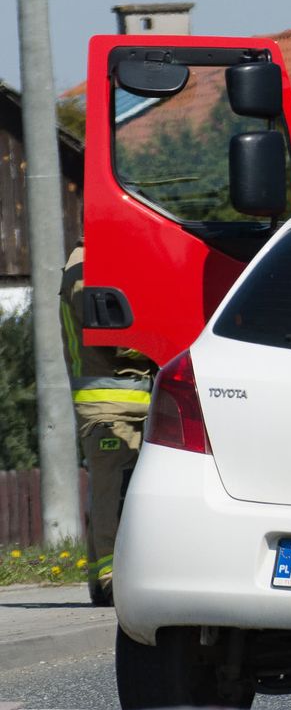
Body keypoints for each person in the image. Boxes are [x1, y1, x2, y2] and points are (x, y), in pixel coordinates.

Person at [61, 247, 155, 608]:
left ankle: (103, 583)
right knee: (110, 495)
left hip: (121, 403)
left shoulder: (93, 265)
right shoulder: (84, 271)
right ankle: (110, 578)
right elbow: (112, 336)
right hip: (108, 406)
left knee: (110, 491)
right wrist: (158, 341)